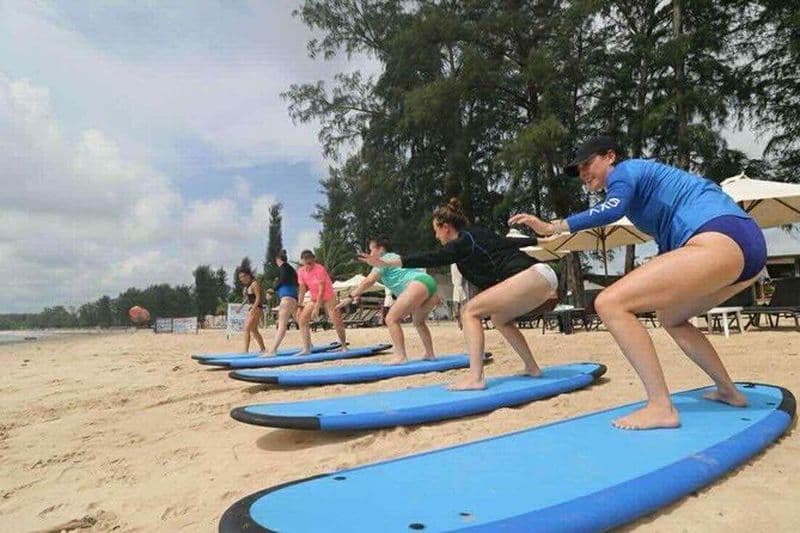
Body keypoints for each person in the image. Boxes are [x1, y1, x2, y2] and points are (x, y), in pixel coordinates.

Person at [510, 135, 767, 430]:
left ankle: (660, 407)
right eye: (578, 171)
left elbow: (612, 209)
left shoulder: (626, 171)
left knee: (610, 302)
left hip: (721, 234)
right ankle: (729, 392)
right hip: (743, 246)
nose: (583, 174)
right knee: (671, 316)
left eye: (587, 164)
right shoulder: (640, 188)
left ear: (610, 156)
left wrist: (554, 226)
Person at [359, 198, 559, 390]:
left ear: (446, 227)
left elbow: (432, 257)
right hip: (541, 278)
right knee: (499, 319)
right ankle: (532, 368)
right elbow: (508, 242)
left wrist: (388, 262)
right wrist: (538, 240)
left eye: (436, 231)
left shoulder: (463, 240)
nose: (436, 237)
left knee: (469, 312)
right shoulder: (475, 235)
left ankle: (475, 378)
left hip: (533, 276)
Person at [339, 236, 439, 364]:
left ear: (381, 249)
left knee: (391, 319)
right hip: (429, 283)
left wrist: (350, 297)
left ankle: (401, 356)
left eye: (371, 250)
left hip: (418, 284)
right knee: (418, 322)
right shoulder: (395, 257)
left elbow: (369, 281)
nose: (370, 254)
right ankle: (430, 354)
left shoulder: (383, 260)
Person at [296, 250, 347, 354]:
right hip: (314, 298)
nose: (308, 260)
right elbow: (302, 289)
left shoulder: (319, 269)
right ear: (302, 260)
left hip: (328, 297)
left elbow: (321, 289)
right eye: (305, 259)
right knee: (302, 319)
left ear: (313, 258)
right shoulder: (301, 272)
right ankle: (306, 348)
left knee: (336, 320)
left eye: (310, 258)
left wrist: (317, 307)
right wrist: (299, 306)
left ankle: (344, 346)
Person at [265, 250, 299, 356]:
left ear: (277, 260)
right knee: (300, 322)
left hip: (287, 299)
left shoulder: (283, 268)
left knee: (282, 325)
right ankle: (309, 344)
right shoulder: (291, 269)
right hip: (293, 298)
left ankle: (273, 350)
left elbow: (283, 280)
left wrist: (273, 289)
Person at [237, 265, 266, 353]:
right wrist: (240, 307)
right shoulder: (248, 286)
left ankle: (245, 351)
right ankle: (263, 349)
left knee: (246, 328)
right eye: (240, 278)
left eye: (243, 277)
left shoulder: (254, 284)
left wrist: (253, 308)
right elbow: (248, 298)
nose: (241, 279)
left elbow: (258, 297)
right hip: (254, 308)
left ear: (248, 275)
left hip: (256, 308)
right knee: (253, 330)